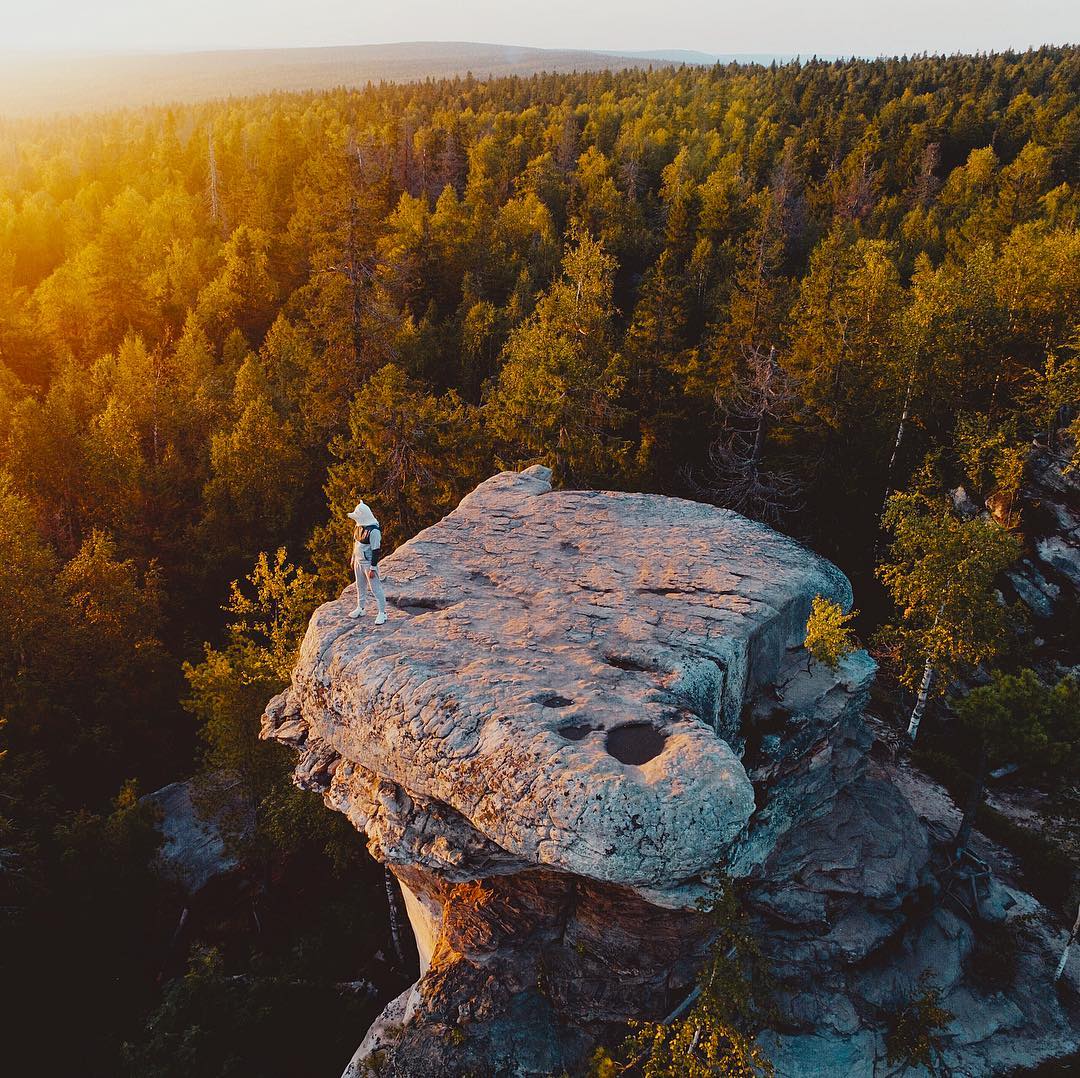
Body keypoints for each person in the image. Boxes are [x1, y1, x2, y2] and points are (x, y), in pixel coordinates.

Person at [347, 500, 387, 624]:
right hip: (358, 562)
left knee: (376, 589)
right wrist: (353, 558)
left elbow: (376, 551)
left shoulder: (374, 531)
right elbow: (355, 543)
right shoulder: (358, 527)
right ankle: (361, 608)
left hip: (368, 563)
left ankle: (382, 613)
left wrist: (373, 568)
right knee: (360, 586)